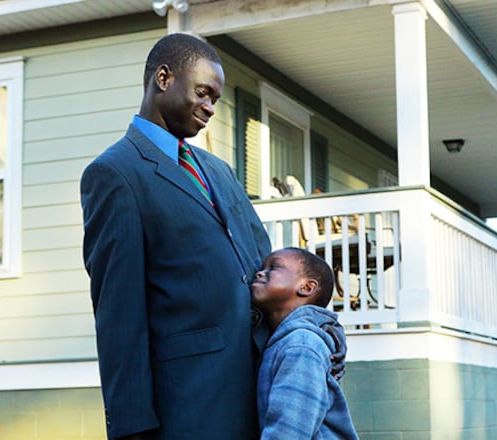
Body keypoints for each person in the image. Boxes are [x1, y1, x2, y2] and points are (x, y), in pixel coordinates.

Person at [80, 33, 273, 440]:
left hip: (260, 394)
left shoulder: (217, 170)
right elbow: (119, 315)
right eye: (203, 93)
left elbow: (261, 260)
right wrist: (133, 428)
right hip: (189, 407)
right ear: (164, 78)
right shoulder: (115, 174)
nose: (210, 109)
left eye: (215, 100)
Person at [251, 247, 359, 439]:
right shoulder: (285, 340)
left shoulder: (301, 345)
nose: (259, 272)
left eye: (273, 267)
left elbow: (289, 432)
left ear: (307, 287)